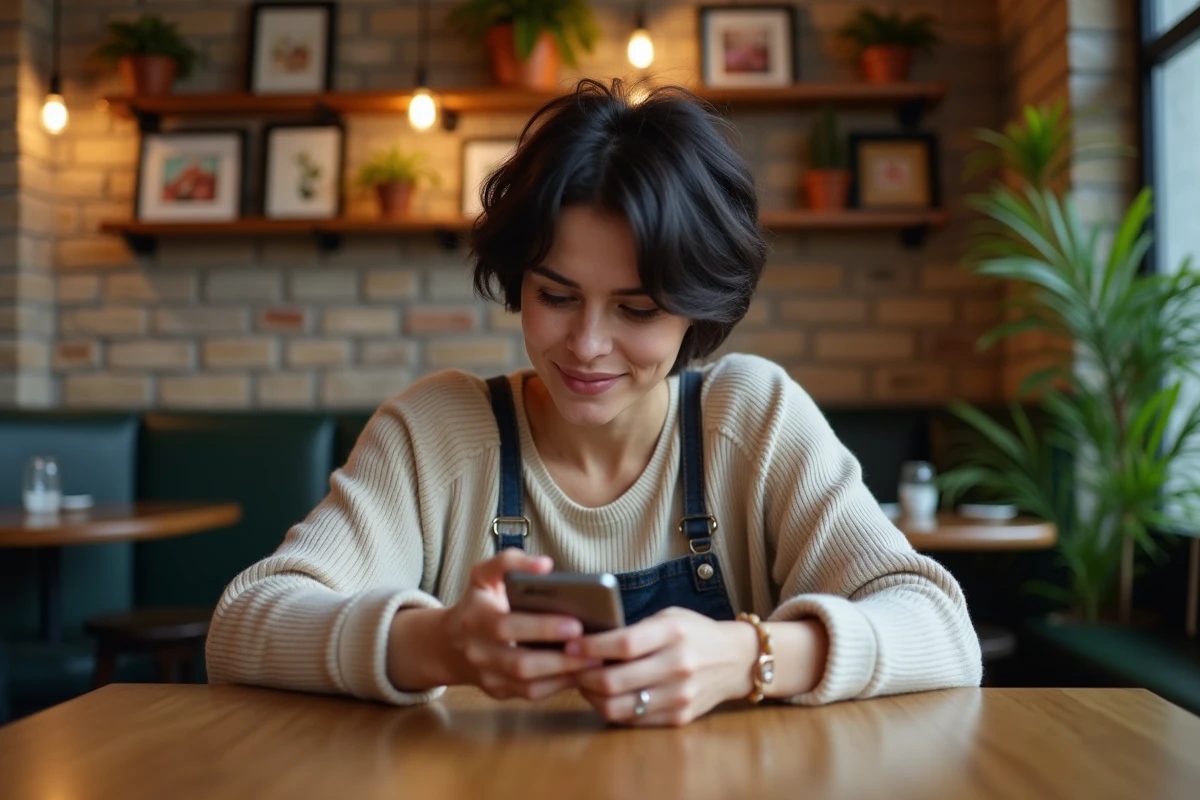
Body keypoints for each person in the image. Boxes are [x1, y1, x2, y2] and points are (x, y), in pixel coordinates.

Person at [207, 78, 982, 727]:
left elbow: (944, 633)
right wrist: (438, 645)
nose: (585, 344)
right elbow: (244, 625)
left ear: (697, 311)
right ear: (519, 281)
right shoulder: (435, 432)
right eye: (556, 295)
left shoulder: (754, 417)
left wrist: (753, 655)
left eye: (637, 310)